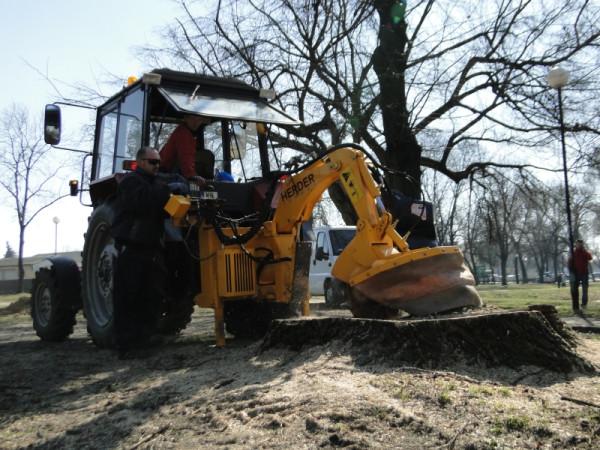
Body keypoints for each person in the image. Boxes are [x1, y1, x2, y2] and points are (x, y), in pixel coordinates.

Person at [111, 147, 172, 356]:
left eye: (159, 163)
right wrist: (169, 189)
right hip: (132, 246)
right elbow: (146, 201)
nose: (157, 166)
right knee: (129, 296)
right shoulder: (130, 182)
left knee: (152, 295)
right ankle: (126, 345)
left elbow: (162, 206)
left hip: (152, 246)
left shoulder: (156, 182)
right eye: (153, 162)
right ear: (141, 162)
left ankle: (145, 338)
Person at [160, 115, 211, 184]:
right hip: (167, 171)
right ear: (186, 118)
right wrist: (191, 175)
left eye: (199, 120)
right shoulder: (183, 133)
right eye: (193, 118)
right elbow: (185, 156)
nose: (195, 123)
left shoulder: (190, 135)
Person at [568, 239, 592, 312]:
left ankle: (584, 304)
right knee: (575, 290)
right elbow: (569, 262)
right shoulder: (573, 253)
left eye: (580, 244)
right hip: (576, 273)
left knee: (585, 289)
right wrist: (571, 272)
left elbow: (590, 258)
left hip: (584, 273)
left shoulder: (584, 252)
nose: (579, 245)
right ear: (576, 245)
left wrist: (584, 251)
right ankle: (576, 306)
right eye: (578, 244)